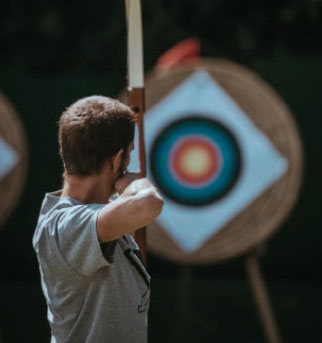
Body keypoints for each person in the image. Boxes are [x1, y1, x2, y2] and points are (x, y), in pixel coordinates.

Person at [32, 95, 164, 343]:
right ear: (118, 158)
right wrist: (136, 184)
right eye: (129, 155)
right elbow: (148, 204)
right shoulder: (64, 226)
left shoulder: (100, 213)